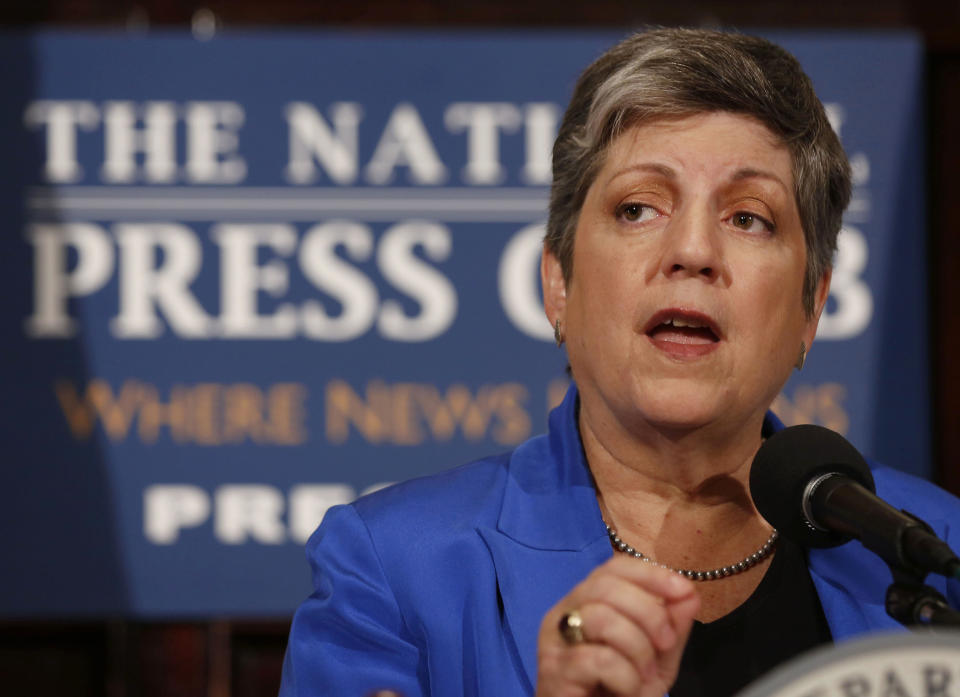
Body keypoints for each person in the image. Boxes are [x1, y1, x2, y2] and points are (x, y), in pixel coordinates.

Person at [279, 28, 960, 697]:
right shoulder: (395, 570)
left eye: (749, 217)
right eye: (638, 208)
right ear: (559, 285)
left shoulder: (928, 548)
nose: (692, 249)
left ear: (811, 306)